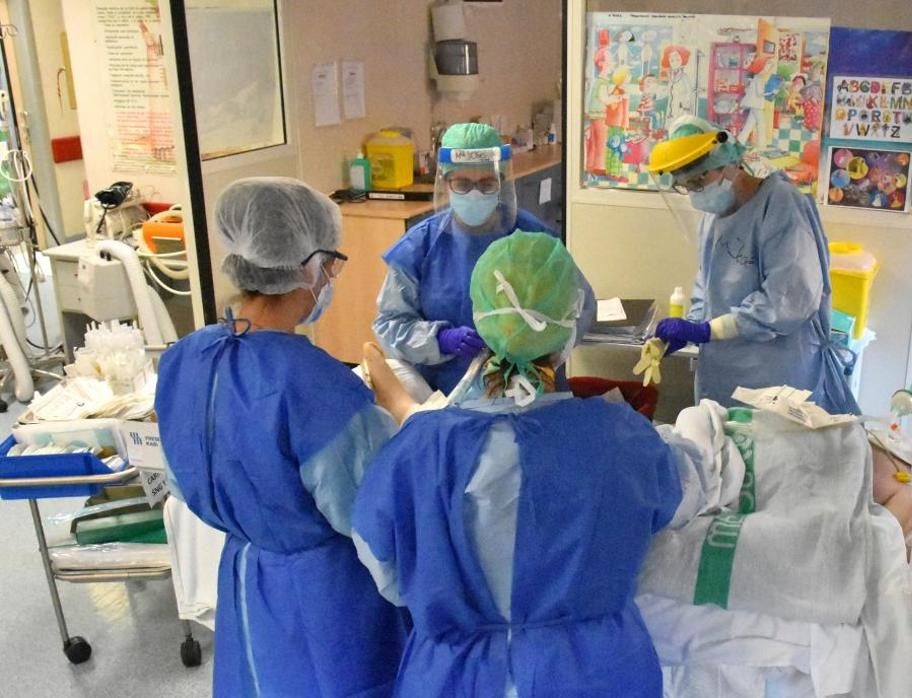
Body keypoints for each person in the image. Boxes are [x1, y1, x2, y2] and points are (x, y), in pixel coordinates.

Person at [354, 232, 718, 697]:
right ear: (571, 325)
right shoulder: (620, 439)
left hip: (453, 678)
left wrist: (455, 597)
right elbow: (686, 495)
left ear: (481, 320)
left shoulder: (416, 450)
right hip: (592, 675)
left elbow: (384, 567)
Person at [155, 178, 408, 697]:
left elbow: (182, 482)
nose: (330, 277)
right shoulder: (316, 389)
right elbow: (378, 522)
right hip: (327, 600)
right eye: (331, 264)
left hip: (247, 581)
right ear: (307, 266)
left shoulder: (186, 360)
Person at [648, 117, 860, 415]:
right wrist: (691, 327)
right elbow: (708, 287)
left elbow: (789, 299)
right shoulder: (715, 216)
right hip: (724, 373)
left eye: (697, 181)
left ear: (729, 164)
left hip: (777, 376)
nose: (695, 193)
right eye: (685, 186)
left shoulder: (780, 204)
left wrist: (708, 330)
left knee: (775, 443)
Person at [373, 122, 595, 397]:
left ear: (501, 182)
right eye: (462, 184)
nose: (475, 193)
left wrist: (539, 352)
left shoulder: (534, 240)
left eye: (487, 183)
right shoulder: (419, 248)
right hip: (449, 398)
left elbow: (581, 306)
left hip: (530, 391)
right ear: (445, 182)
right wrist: (439, 340)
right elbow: (390, 324)